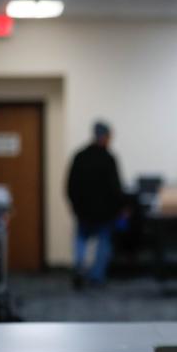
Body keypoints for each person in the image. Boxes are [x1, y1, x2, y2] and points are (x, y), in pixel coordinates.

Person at [66, 120, 124, 288]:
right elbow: (115, 187)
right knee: (103, 243)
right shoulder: (109, 158)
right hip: (104, 213)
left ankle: (79, 268)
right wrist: (120, 207)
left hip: (82, 210)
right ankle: (96, 277)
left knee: (80, 241)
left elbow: (70, 185)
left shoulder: (79, 156)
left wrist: (75, 206)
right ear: (105, 136)